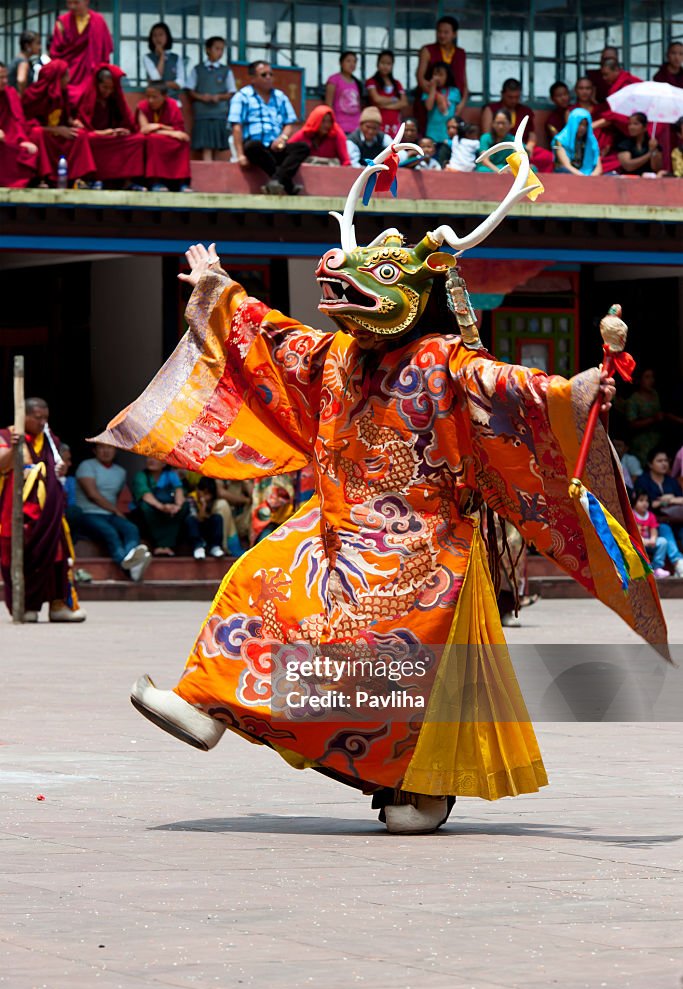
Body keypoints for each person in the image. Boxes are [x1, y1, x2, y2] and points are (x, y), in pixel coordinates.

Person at [96, 139, 665, 835]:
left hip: (422, 547)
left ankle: (413, 785)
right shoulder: (338, 354)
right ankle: (206, 703)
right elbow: (272, 339)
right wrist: (221, 292)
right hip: (334, 527)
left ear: (417, 291)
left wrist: (577, 390)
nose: (341, 280)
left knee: (386, 662)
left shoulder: (439, 358)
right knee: (255, 581)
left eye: (381, 272)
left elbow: (508, 387)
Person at [0, 398, 85, 622]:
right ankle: (25, 606)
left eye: (45, 418)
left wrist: (61, 468)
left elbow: (57, 466)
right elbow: (1, 464)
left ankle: (59, 606)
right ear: (24, 416)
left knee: (58, 555)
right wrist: (14, 449)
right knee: (19, 557)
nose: (42, 422)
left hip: (48, 511)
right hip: (17, 510)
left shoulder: (49, 438)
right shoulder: (8, 436)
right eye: (38, 418)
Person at [75, 442, 151, 580]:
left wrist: (115, 512)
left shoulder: (121, 472)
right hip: (88, 513)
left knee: (131, 529)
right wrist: (115, 511)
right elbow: (93, 495)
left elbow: (115, 497)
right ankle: (127, 567)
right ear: (94, 450)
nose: (106, 451)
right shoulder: (86, 466)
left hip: (110, 514)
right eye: (102, 447)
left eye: (110, 447)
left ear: (115, 450)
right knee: (110, 532)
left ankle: (131, 561)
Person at [228, 61, 306, 196]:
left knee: (302, 148)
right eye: (264, 75)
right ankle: (288, 184)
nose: (269, 77)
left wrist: (282, 139)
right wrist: (240, 155)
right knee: (253, 146)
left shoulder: (280, 97)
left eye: (271, 74)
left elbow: (289, 124)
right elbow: (236, 127)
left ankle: (276, 181)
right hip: (255, 148)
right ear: (253, 78)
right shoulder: (242, 96)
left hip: (276, 147)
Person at [22, 59, 97, 186]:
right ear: (57, 78)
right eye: (66, 75)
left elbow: (65, 116)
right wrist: (56, 130)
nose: (69, 79)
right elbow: (27, 126)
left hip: (58, 134)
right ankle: (42, 178)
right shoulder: (33, 94)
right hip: (45, 135)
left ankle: (78, 178)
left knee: (80, 135)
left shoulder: (63, 92)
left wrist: (72, 122)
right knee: (37, 133)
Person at [77, 64, 145, 187]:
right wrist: (102, 133)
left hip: (112, 136)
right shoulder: (87, 97)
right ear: (97, 84)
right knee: (89, 139)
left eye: (111, 88)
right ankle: (92, 179)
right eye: (104, 87)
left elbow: (126, 121)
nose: (108, 91)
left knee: (137, 139)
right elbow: (82, 127)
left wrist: (123, 131)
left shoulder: (115, 98)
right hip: (97, 136)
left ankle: (127, 181)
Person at [480, 79, 553, 174]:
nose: (513, 100)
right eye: (510, 97)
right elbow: (487, 134)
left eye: (517, 97)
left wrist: (529, 148)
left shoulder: (525, 111)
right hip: (497, 147)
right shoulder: (491, 109)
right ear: (502, 94)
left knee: (548, 158)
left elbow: (532, 134)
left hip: (520, 147)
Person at [49, 0, 113, 105]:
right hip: (68, 76)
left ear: (86, 1)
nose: (72, 7)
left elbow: (105, 50)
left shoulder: (99, 21)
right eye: (69, 3)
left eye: (76, 2)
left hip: (91, 76)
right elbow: (55, 54)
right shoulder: (62, 22)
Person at [136, 81, 192, 192]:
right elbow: (144, 129)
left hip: (165, 138)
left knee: (182, 142)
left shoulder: (172, 105)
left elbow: (180, 132)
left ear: (165, 96)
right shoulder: (142, 106)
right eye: (148, 97)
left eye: (154, 97)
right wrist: (165, 128)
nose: (151, 100)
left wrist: (157, 128)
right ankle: (156, 182)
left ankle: (182, 183)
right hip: (151, 139)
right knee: (153, 139)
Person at [415, 16, 467, 133]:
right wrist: (437, 96)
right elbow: (420, 78)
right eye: (439, 32)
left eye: (446, 32)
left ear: (454, 34)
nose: (442, 35)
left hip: (453, 102)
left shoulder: (460, 53)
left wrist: (462, 103)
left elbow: (464, 82)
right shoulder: (427, 50)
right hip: (430, 101)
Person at [187, 36, 236, 160]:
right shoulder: (197, 70)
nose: (219, 52)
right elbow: (190, 90)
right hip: (202, 113)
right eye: (216, 49)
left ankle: (216, 173)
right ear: (208, 50)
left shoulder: (226, 71)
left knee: (218, 145)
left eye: (221, 49)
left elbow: (231, 92)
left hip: (219, 113)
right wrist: (202, 97)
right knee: (205, 144)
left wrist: (218, 97)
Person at [635, 450, 683, 576]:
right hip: (654, 522)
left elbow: (681, 498)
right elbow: (643, 503)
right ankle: (678, 562)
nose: (664, 464)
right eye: (659, 461)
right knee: (664, 528)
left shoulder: (671, 481)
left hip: (675, 520)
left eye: (666, 461)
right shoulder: (643, 480)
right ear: (650, 464)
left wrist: (670, 499)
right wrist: (663, 501)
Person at [131, 456, 187, 556]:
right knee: (146, 508)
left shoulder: (170, 475)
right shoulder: (141, 475)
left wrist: (177, 506)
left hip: (168, 508)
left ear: (164, 463)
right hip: (152, 508)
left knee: (184, 508)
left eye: (155, 458)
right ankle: (157, 545)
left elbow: (179, 490)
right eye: (148, 458)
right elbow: (145, 494)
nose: (151, 460)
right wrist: (162, 507)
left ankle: (168, 546)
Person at [624, 368, 682, 465]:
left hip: (658, 435)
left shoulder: (655, 394)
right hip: (642, 440)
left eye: (652, 377)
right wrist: (652, 419)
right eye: (647, 377)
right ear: (639, 380)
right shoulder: (633, 400)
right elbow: (631, 424)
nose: (651, 380)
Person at [0, 62, 43, 187]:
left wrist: (22, 140)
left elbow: (17, 121)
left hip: (9, 139)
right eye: (1, 78)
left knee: (27, 150)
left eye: (6, 77)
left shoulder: (10, 94)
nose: (5, 81)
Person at [186, 476, 242, 558]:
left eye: (208, 494)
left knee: (217, 518)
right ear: (198, 489)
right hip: (196, 530)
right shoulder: (191, 498)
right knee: (190, 520)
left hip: (208, 530)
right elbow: (199, 518)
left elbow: (210, 517)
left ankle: (215, 547)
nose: (206, 496)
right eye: (204, 493)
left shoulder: (213, 501)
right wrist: (203, 506)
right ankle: (198, 547)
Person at [422, 61, 460, 165]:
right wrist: (433, 88)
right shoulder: (428, 91)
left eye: (441, 75)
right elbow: (429, 107)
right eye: (435, 74)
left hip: (447, 135)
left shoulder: (454, 91)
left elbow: (455, 110)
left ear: (447, 76)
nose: (437, 77)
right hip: (432, 134)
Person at [365, 51, 407, 139]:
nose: (385, 66)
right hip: (379, 123)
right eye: (382, 63)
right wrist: (394, 100)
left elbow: (404, 103)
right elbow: (376, 99)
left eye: (388, 64)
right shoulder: (371, 81)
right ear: (377, 64)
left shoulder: (397, 83)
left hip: (395, 124)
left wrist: (384, 105)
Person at [632, 492, 670, 579]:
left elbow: (654, 529)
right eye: (641, 500)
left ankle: (656, 567)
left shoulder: (650, 515)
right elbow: (632, 531)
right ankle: (639, 568)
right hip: (638, 542)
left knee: (662, 542)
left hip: (649, 542)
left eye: (647, 501)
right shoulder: (632, 515)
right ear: (634, 502)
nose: (645, 503)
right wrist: (642, 540)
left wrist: (653, 539)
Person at [143, 22, 186, 100]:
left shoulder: (176, 58)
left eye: (161, 35)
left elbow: (181, 83)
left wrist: (162, 84)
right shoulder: (148, 58)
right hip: (156, 103)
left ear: (167, 37)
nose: (157, 38)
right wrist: (162, 57)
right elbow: (156, 78)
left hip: (174, 102)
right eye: (154, 35)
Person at [552, 108, 602, 176]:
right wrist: (583, 178)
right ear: (573, 123)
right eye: (580, 124)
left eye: (585, 125)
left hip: (588, 176)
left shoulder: (592, 141)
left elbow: (599, 167)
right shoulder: (559, 140)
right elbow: (566, 165)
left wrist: (591, 176)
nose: (583, 128)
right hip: (568, 175)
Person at [324, 52, 362, 136]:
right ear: (341, 63)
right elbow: (328, 104)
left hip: (356, 127)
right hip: (340, 125)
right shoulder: (334, 80)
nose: (352, 64)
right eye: (348, 61)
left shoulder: (357, 82)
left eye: (354, 62)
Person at [617, 113, 665, 177]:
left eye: (635, 124)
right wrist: (649, 153)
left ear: (645, 127)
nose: (631, 127)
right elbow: (628, 166)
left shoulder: (652, 144)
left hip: (648, 179)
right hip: (629, 179)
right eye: (630, 124)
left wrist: (654, 151)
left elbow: (656, 168)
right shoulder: (624, 144)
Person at [8, 31, 50, 95]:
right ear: (27, 45)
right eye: (37, 43)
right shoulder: (23, 62)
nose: (40, 47)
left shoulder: (21, 59)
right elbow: (21, 81)